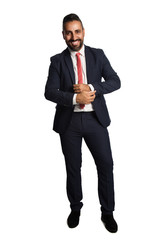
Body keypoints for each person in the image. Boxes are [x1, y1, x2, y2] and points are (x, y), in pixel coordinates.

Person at [44, 13, 121, 233]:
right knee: (73, 168)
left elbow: (116, 81)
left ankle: (107, 213)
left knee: (105, 165)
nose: (73, 36)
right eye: (69, 32)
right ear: (63, 35)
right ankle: (75, 208)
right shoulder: (57, 61)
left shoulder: (98, 55)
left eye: (77, 31)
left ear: (83, 32)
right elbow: (49, 92)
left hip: (95, 120)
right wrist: (74, 98)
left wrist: (91, 88)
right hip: (69, 123)